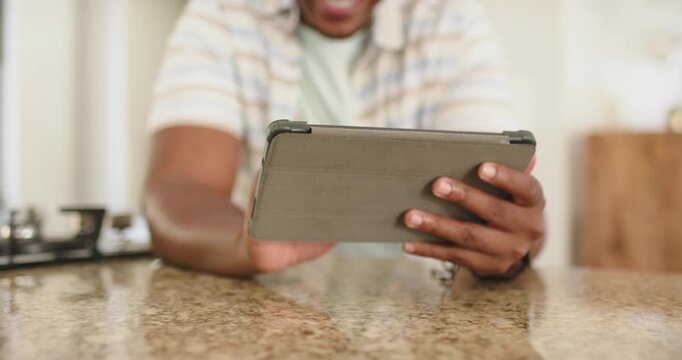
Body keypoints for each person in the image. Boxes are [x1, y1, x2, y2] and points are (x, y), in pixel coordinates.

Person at [143, 0, 546, 277]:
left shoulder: (451, 19)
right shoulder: (221, 13)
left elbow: (500, 207)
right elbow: (178, 190)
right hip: (270, 305)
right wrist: (240, 244)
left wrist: (509, 246)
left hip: (418, 305)